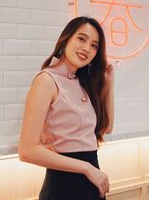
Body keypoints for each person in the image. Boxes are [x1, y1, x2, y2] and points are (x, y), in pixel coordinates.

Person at [18, 16, 115, 200]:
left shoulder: (82, 83)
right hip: (64, 188)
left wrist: (109, 82)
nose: (87, 48)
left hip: (92, 184)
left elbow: (106, 128)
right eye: (81, 39)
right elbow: (27, 151)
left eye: (94, 45)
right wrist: (86, 168)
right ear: (66, 39)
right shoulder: (46, 80)